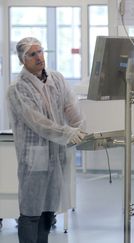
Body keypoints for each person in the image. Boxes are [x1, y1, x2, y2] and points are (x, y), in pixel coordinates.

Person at [6, 37, 86, 243]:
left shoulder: (56, 79)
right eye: (32, 54)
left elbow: (71, 108)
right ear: (22, 60)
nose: (39, 57)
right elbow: (38, 122)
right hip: (34, 158)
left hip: (57, 156)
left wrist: (83, 131)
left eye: (40, 51)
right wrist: (67, 133)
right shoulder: (17, 89)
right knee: (31, 212)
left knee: (48, 212)